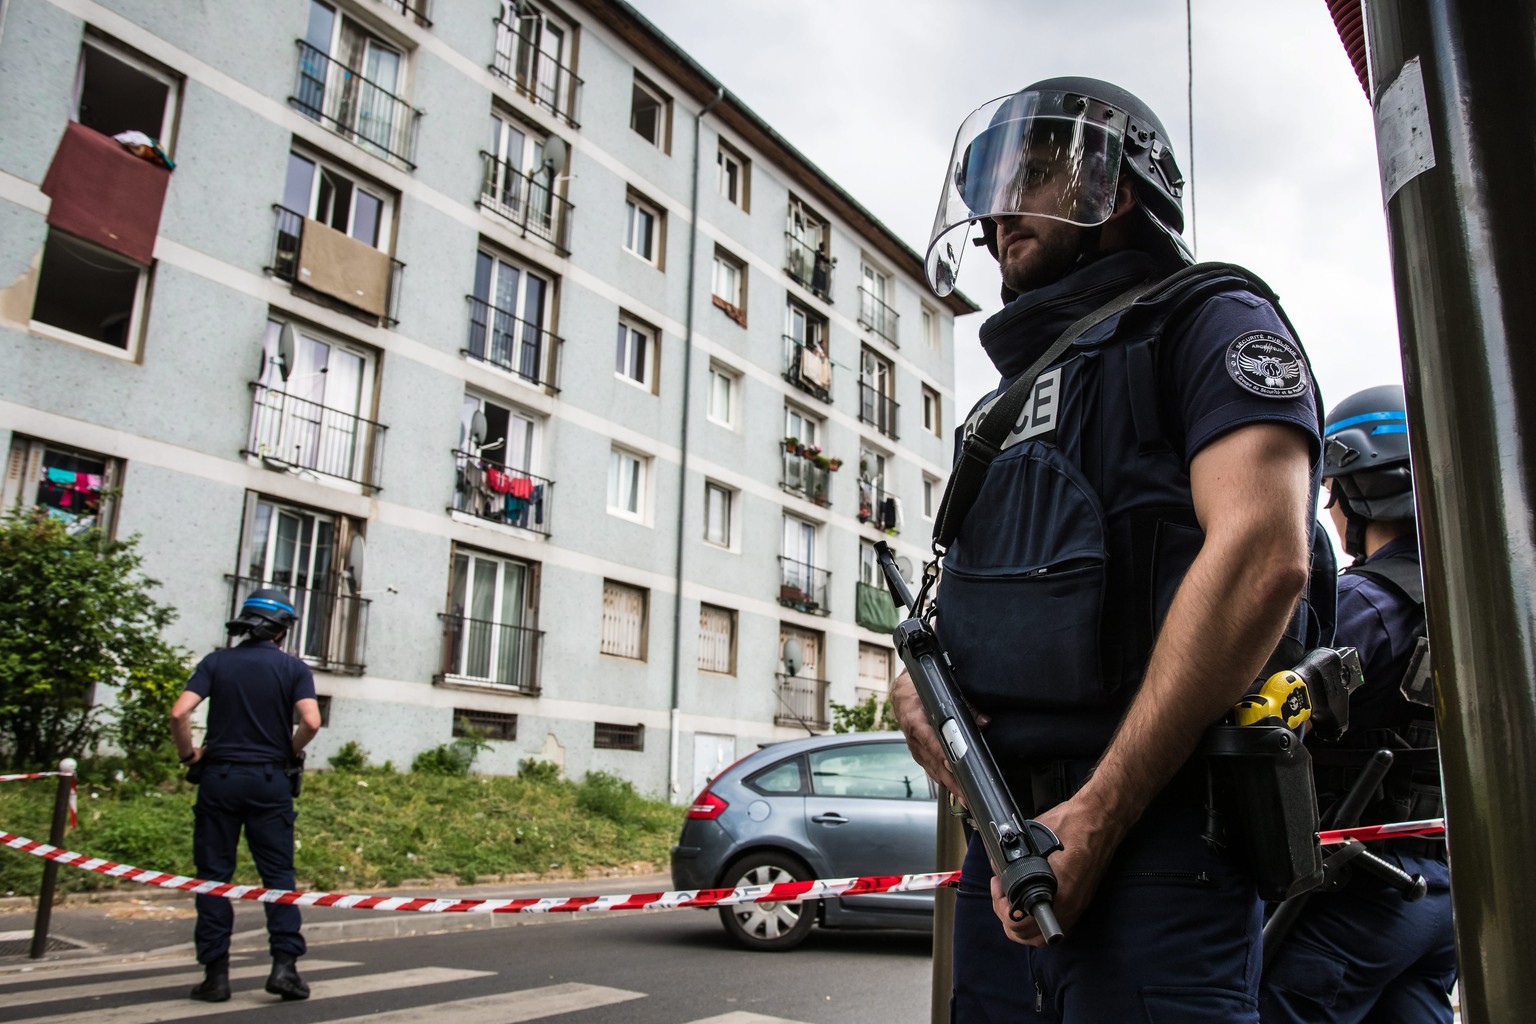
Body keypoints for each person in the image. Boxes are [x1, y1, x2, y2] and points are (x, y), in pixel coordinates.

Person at [895, 78, 1333, 1021]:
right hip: (1007, 846)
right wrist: (926, 693)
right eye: (991, 187)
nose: (1002, 208)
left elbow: (1265, 554)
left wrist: (1096, 817)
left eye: (1035, 171)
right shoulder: (997, 412)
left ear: (1119, 187)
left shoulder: (1210, 321)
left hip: (1159, 845)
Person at [1260, 385, 1456, 1022]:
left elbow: (1266, 721)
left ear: (1358, 487)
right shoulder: (1469, 600)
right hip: (1442, 888)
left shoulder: (1361, 607)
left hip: (1358, 892)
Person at [169, 588, 321, 1003]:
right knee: (278, 878)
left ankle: (215, 977)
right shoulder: (293, 669)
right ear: (281, 631)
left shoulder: (216, 662)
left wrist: (189, 755)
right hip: (269, 782)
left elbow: (179, 712)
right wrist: (287, 751)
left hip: (219, 779)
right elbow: (311, 721)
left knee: (214, 878)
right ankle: (285, 969)